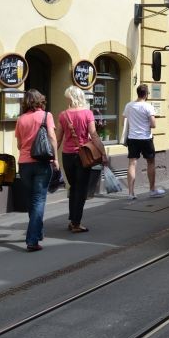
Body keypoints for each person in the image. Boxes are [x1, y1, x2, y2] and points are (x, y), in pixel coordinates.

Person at [15, 89, 59, 252]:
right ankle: (32, 240)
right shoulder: (46, 116)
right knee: (39, 200)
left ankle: (37, 233)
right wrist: (55, 159)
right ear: (40, 101)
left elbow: (19, 145)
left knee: (31, 200)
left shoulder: (20, 119)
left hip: (24, 164)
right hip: (41, 163)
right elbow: (52, 138)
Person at [58, 86, 105, 233]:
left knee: (73, 187)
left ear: (70, 98)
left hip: (67, 155)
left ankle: (73, 219)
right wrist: (102, 152)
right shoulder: (87, 113)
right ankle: (76, 223)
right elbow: (94, 135)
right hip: (83, 155)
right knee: (81, 189)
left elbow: (58, 138)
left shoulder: (63, 115)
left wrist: (52, 156)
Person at [123, 84, 161, 199]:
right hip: (145, 138)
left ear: (138, 93)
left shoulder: (129, 105)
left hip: (132, 138)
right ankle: (152, 190)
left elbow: (123, 122)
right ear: (146, 94)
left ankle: (130, 193)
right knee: (150, 162)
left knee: (132, 163)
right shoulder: (148, 107)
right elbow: (153, 124)